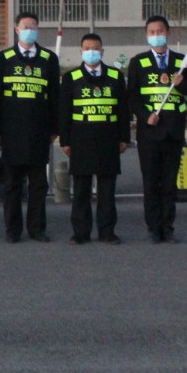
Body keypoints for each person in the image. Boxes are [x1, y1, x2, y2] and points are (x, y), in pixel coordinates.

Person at [127, 15, 187, 244]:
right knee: (151, 183)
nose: (156, 35)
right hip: (149, 131)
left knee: (169, 184)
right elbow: (132, 97)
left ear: (167, 32)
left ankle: (167, 227)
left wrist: (182, 83)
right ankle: (153, 228)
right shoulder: (138, 62)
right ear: (146, 35)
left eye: (160, 31)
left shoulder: (182, 61)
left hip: (173, 131)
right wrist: (145, 115)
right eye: (152, 32)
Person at [0, 12, 61, 242]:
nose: (30, 30)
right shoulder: (2, 59)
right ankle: (13, 230)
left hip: (39, 132)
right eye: (25, 26)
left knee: (39, 185)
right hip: (11, 132)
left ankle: (37, 229)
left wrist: (54, 129)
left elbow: (55, 97)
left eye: (33, 26)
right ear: (16, 29)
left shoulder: (49, 59)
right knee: (13, 185)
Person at [61, 34, 130, 244]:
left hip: (108, 138)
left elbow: (123, 110)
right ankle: (80, 232)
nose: (92, 51)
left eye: (96, 48)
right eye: (87, 48)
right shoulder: (71, 77)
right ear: (81, 51)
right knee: (81, 190)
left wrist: (124, 137)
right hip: (80, 140)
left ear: (102, 51)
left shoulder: (115, 76)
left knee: (107, 190)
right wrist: (65, 141)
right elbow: (64, 111)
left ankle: (107, 231)